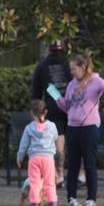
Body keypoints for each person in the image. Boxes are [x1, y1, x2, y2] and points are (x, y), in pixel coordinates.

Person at [56, 54, 104, 206]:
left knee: (90, 163)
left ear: (82, 67)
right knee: (73, 165)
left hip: (89, 128)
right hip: (72, 128)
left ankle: (91, 199)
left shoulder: (96, 81)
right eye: (70, 69)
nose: (71, 72)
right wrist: (58, 99)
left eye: (73, 69)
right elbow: (67, 107)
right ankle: (71, 198)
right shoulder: (71, 84)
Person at [32, 40, 72, 186]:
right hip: (72, 108)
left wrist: (37, 111)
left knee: (58, 143)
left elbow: (36, 92)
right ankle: (81, 175)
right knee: (75, 143)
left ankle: (59, 175)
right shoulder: (70, 64)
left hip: (53, 108)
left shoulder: (42, 66)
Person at [17, 100, 60, 206]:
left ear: (31, 113)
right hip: (48, 158)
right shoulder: (51, 126)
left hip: (34, 158)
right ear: (45, 112)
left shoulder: (29, 128)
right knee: (49, 182)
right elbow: (55, 138)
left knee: (34, 183)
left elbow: (23, 145)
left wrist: (19, 158)